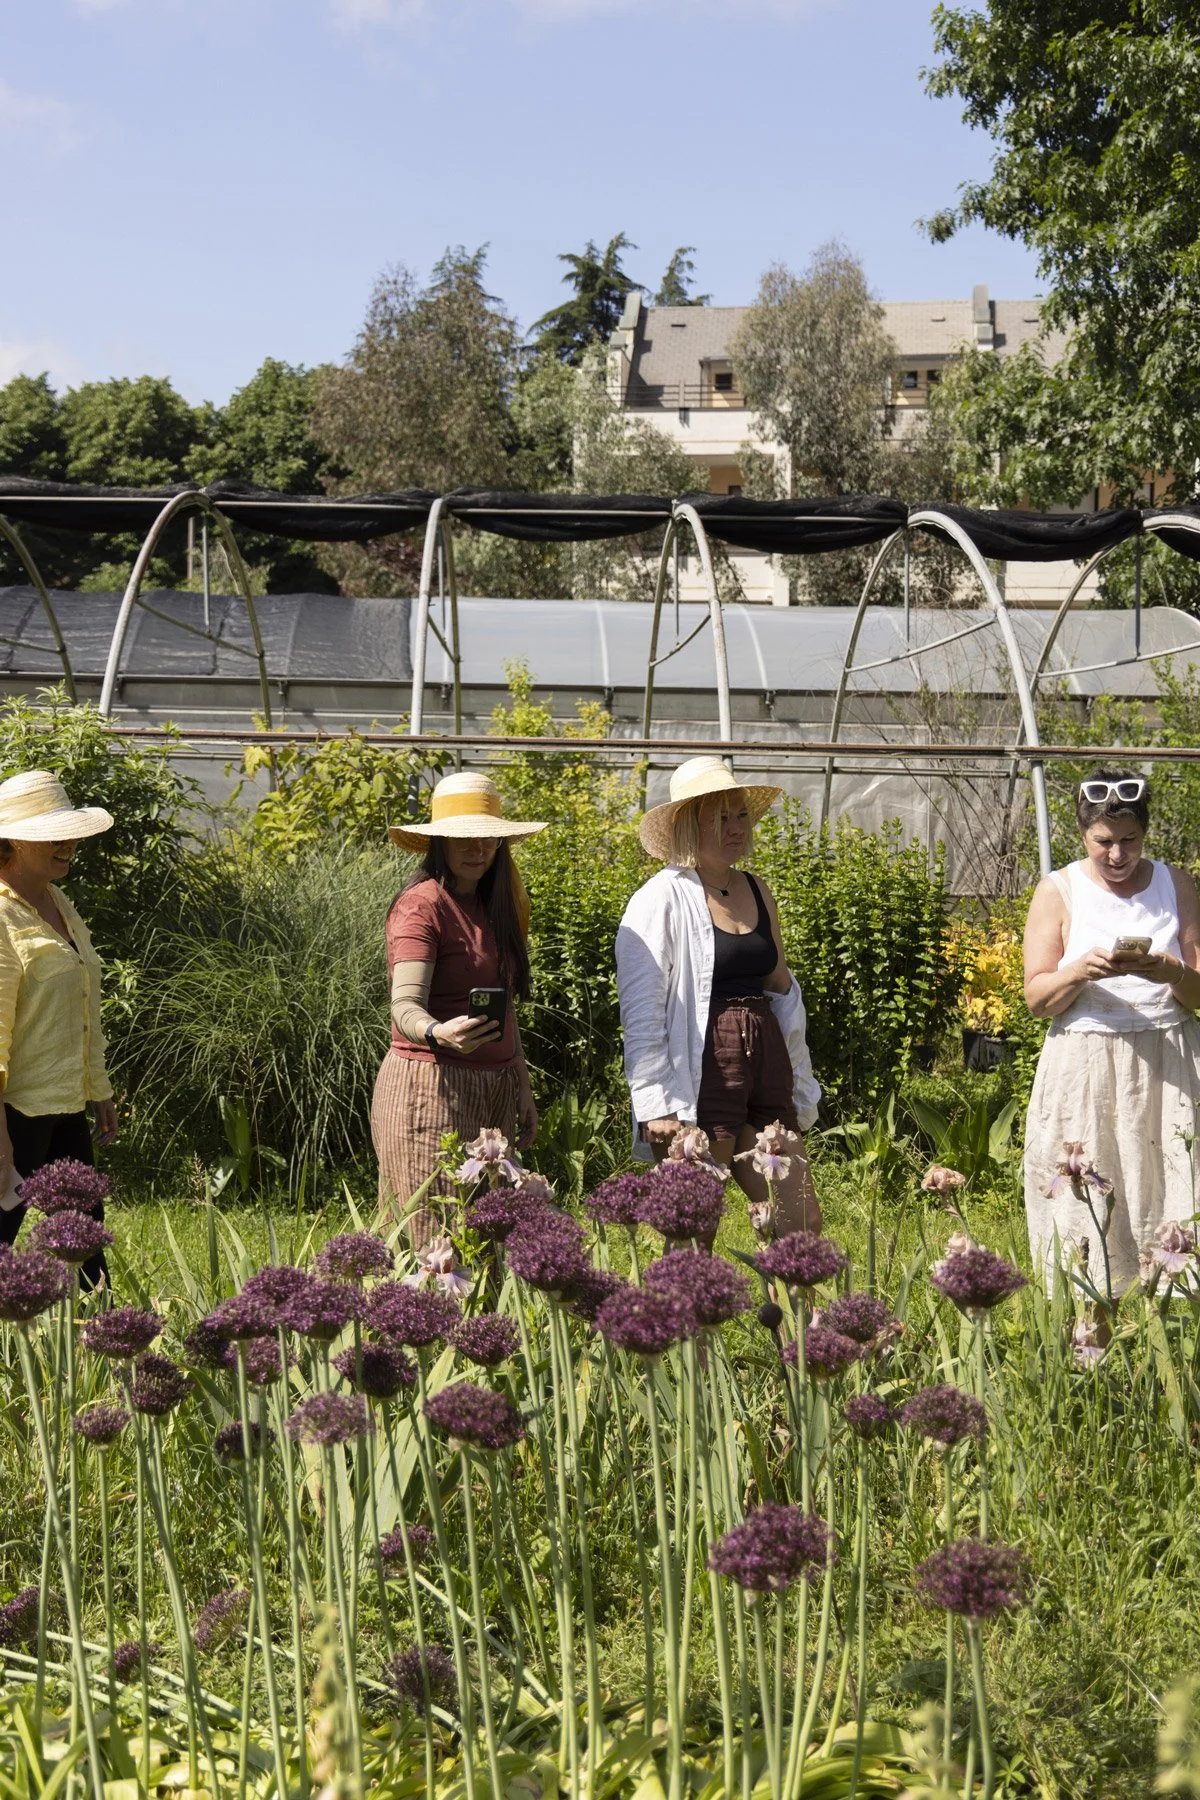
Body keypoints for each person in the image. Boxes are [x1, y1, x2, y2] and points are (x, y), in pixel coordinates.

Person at [616, 755, 821, 1235]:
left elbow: (781, 988)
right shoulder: (660, 898)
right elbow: (642, 1010)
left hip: (765, 1062)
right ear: (690, 824)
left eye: (741, 815)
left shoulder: (756, 888)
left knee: (800, 1218)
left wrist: (797, 1070)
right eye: (720, 816)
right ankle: (681, 1310)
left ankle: (795, 1309)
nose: (735, 827)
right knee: (695, 1222)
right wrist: (655, 1102)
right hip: (704, 1066)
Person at [1023, 769, 1200, 1294]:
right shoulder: (1059, 890)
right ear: (1083, 835)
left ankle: (1173, 1307)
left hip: (1168, 1056)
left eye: (1130, 842)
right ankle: (1089, 1307)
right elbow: (1036, 999)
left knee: (1169, 1179)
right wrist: (1079, 971)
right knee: (1090, 1189)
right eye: (1104, 842)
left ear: (1145, 835)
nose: (1117, 855)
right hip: (1086, 1063)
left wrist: (1171, 972)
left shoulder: (1177, 883)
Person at [373, 771, 546, 1244]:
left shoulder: (497, 905)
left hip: (495, 1092)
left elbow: (504, 1010)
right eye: (464, 838)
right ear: (440, 843)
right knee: (435, 1242)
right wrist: (437, 1031)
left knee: (488, 1244)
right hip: (431, 1091)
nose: (478, 850)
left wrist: (521, 1087)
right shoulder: (421, 906)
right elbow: (404, 1006)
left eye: (488, 839)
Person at [0, 769, 118, 1287]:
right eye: (52, 834)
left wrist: (99, 1088)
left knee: (87, 1249)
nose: (68, 843)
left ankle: (103, 1358)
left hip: (64, 1105)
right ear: (12, 840)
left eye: (69, 830)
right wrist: (1, 1147)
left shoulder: (56, 901)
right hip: (14, 1113)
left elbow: (82, 1006)